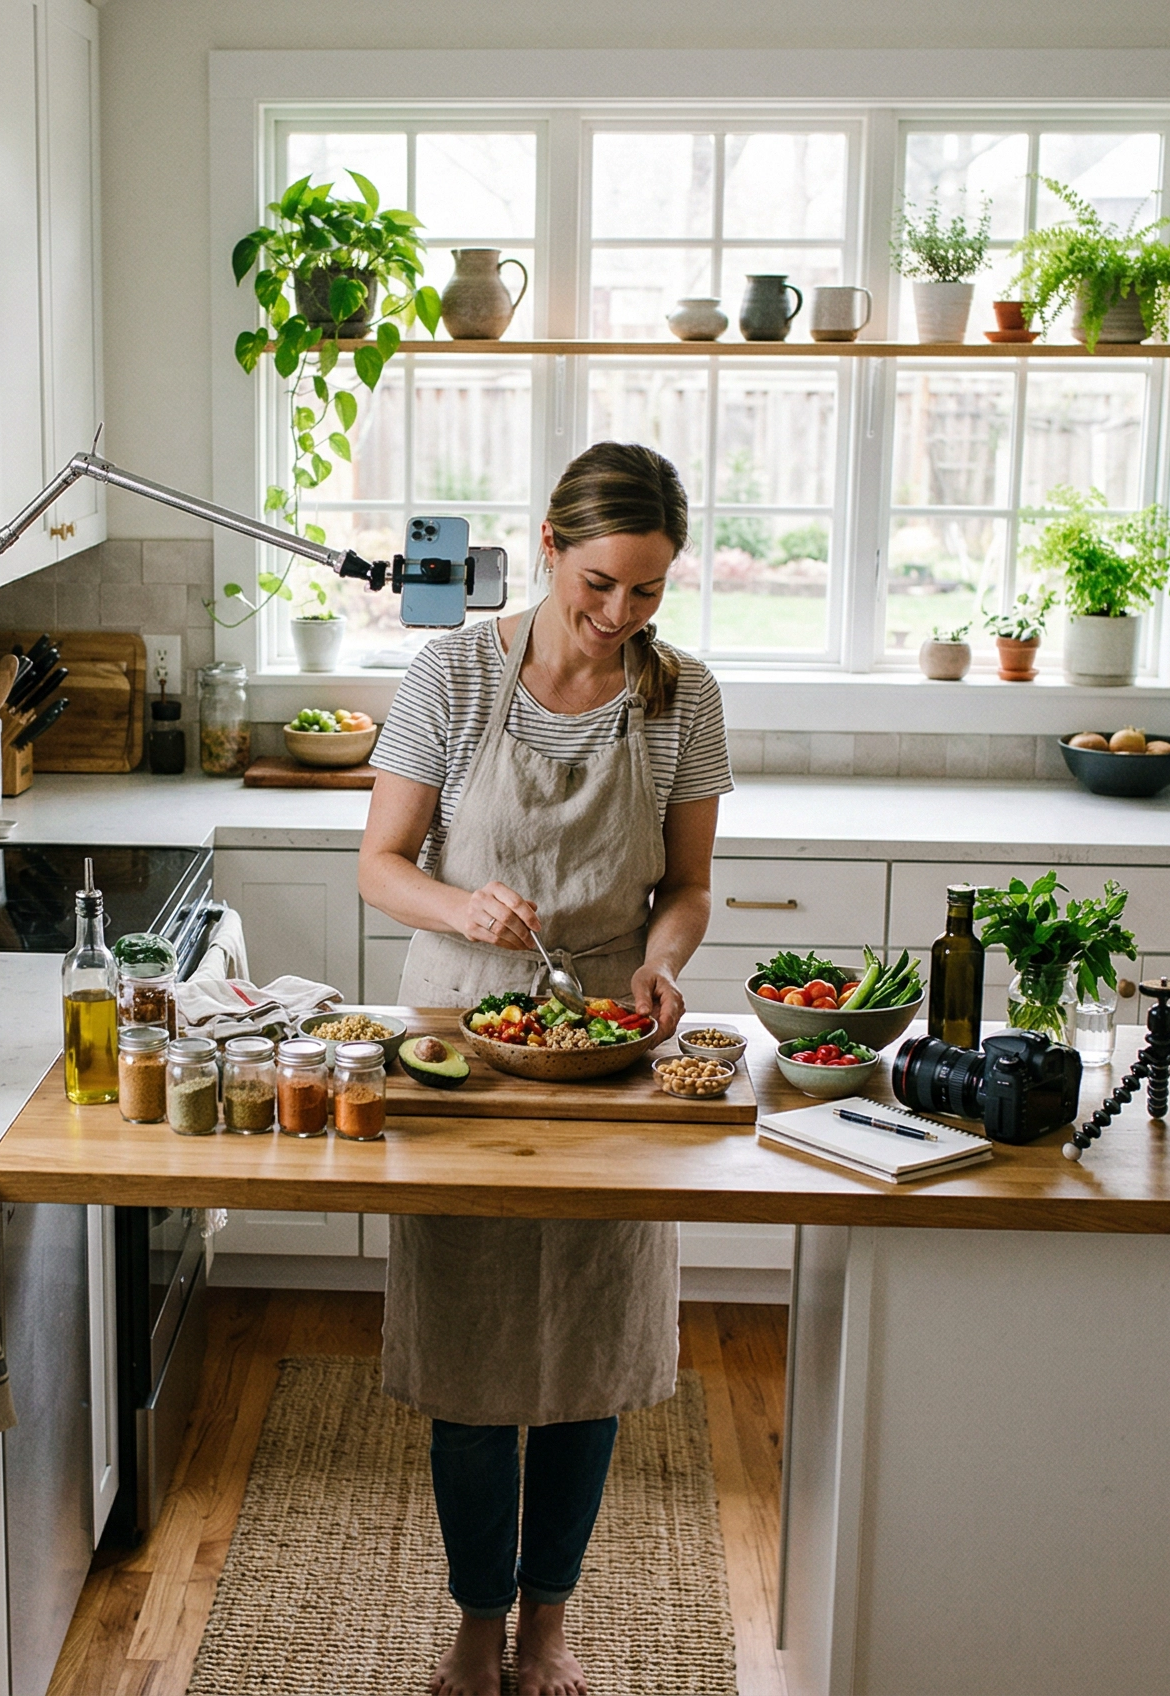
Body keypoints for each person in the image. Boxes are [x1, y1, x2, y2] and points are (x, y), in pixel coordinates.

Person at [358, 441, 731, 1696]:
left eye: (646, 592)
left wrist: (664, 963)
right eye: (599, 585)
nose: (618, 615)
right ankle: (475, 1623)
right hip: (461, 1040)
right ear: (550, 544)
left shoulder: (680, 697)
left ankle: (550, 1626)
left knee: (591, 1352)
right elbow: (381, 864)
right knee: (469, 1356)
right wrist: (460, 910)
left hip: (612, 1042)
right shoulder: (451, 674)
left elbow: (683, 889)